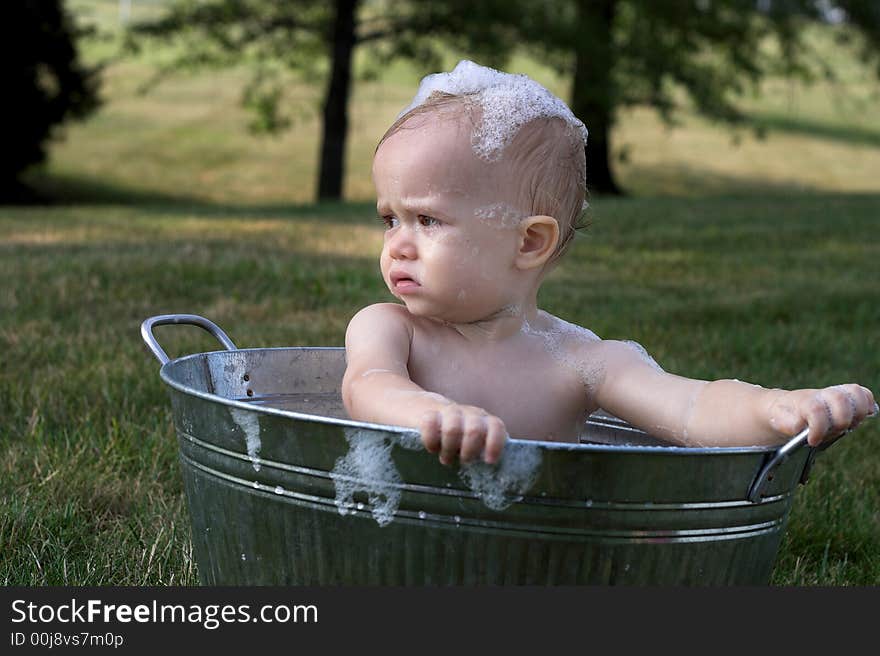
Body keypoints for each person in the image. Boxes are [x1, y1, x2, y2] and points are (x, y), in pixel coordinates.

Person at [341, 61, 876, 466]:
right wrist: (429, 414)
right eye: (390, 219)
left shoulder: (580, 361)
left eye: (428, 221)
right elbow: (368, 385)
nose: (398, 245)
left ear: (528, 244)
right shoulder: (391, 328)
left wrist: (777, 410)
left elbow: (691, 409)